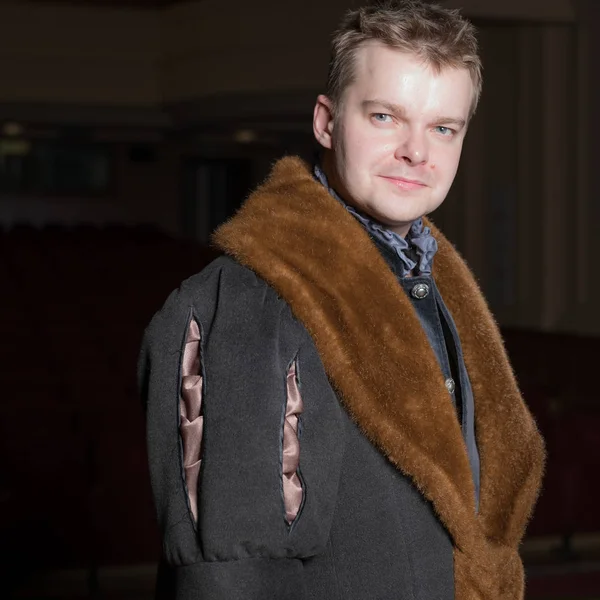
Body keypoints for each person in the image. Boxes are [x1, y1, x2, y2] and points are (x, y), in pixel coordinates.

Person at [138, 1, 545, 598]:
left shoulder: (437, 286)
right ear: (327, 122)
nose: (416, 151)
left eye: (443, 127)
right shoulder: (245, 304)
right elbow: (232, 577)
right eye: (384, 116)